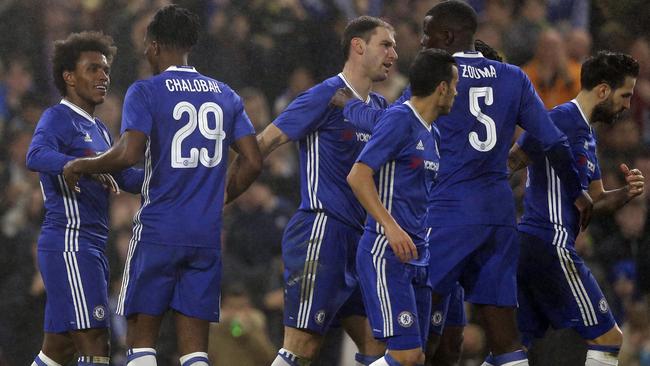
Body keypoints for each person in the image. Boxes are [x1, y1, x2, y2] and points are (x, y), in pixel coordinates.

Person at [334, 2, 592, 365]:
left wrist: (352, 108)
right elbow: (552, 141)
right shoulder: (514, 77)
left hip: (445, 217)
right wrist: (578, 191)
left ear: (449, 36)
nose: (423, 41)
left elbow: (392, 121)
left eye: (428, 33)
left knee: (414, 334)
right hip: (499, 218)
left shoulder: (437, 81)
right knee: (504, 335)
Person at [62, 5, 262, 366]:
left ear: (154, 46)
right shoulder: (225, 94)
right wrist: (221, 197)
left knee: (141, 346)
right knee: (196, 353)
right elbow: (253, 159)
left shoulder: (147, 91)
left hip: (159, 230)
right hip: (205, 235)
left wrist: (83, 164)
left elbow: (128, 152)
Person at [256, 15, 397, 366]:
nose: (394, 53)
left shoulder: (380, 110)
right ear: (358, 46)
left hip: (364, 244)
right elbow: (264, 142)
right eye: (386, 44)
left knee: (380, 348)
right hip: (323, 231)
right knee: (302, 347)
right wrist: (219, 191)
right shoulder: (323, 94)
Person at [509, 51, 643, 366]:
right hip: (548, 242)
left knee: (513, 348)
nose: (626, 105)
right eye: (625, 95)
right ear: (602, 91)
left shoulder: (586, 134)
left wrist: (626, 193)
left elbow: (593, 203)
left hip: (535, 245)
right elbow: (513, 160)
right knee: (609, 339)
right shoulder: (557, 119)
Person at [26, 31, 143, 366]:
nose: (103, 76)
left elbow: (126, 178)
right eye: (93, 69)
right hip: (70, 243)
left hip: (92, 246)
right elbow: (35, 155)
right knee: (95, 342)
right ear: (69, 77)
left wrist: (164, 176)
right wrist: (77, 165)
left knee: (57, 350)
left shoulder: (101, 130)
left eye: (105, 70)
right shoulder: (58, 117)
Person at [347, 48, 458, 366]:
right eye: (455, 85)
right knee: (406, 356)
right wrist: (390, 227)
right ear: (441, 88)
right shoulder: (399, 119)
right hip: (386, 252)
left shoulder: (433, 132)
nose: (457, 93)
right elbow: (358, 176)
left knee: (417, 357)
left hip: (418, 255)